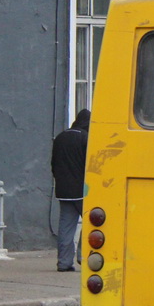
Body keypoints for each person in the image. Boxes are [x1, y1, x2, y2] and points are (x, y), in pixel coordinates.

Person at [51, 109, 90, 272]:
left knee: (66, 227)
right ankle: (83, 257)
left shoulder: (60, 137)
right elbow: (91, 165)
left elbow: (54, 164)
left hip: (63, 190)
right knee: (90, 224)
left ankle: (64, 262)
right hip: (83, 190)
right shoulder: (86, 138)